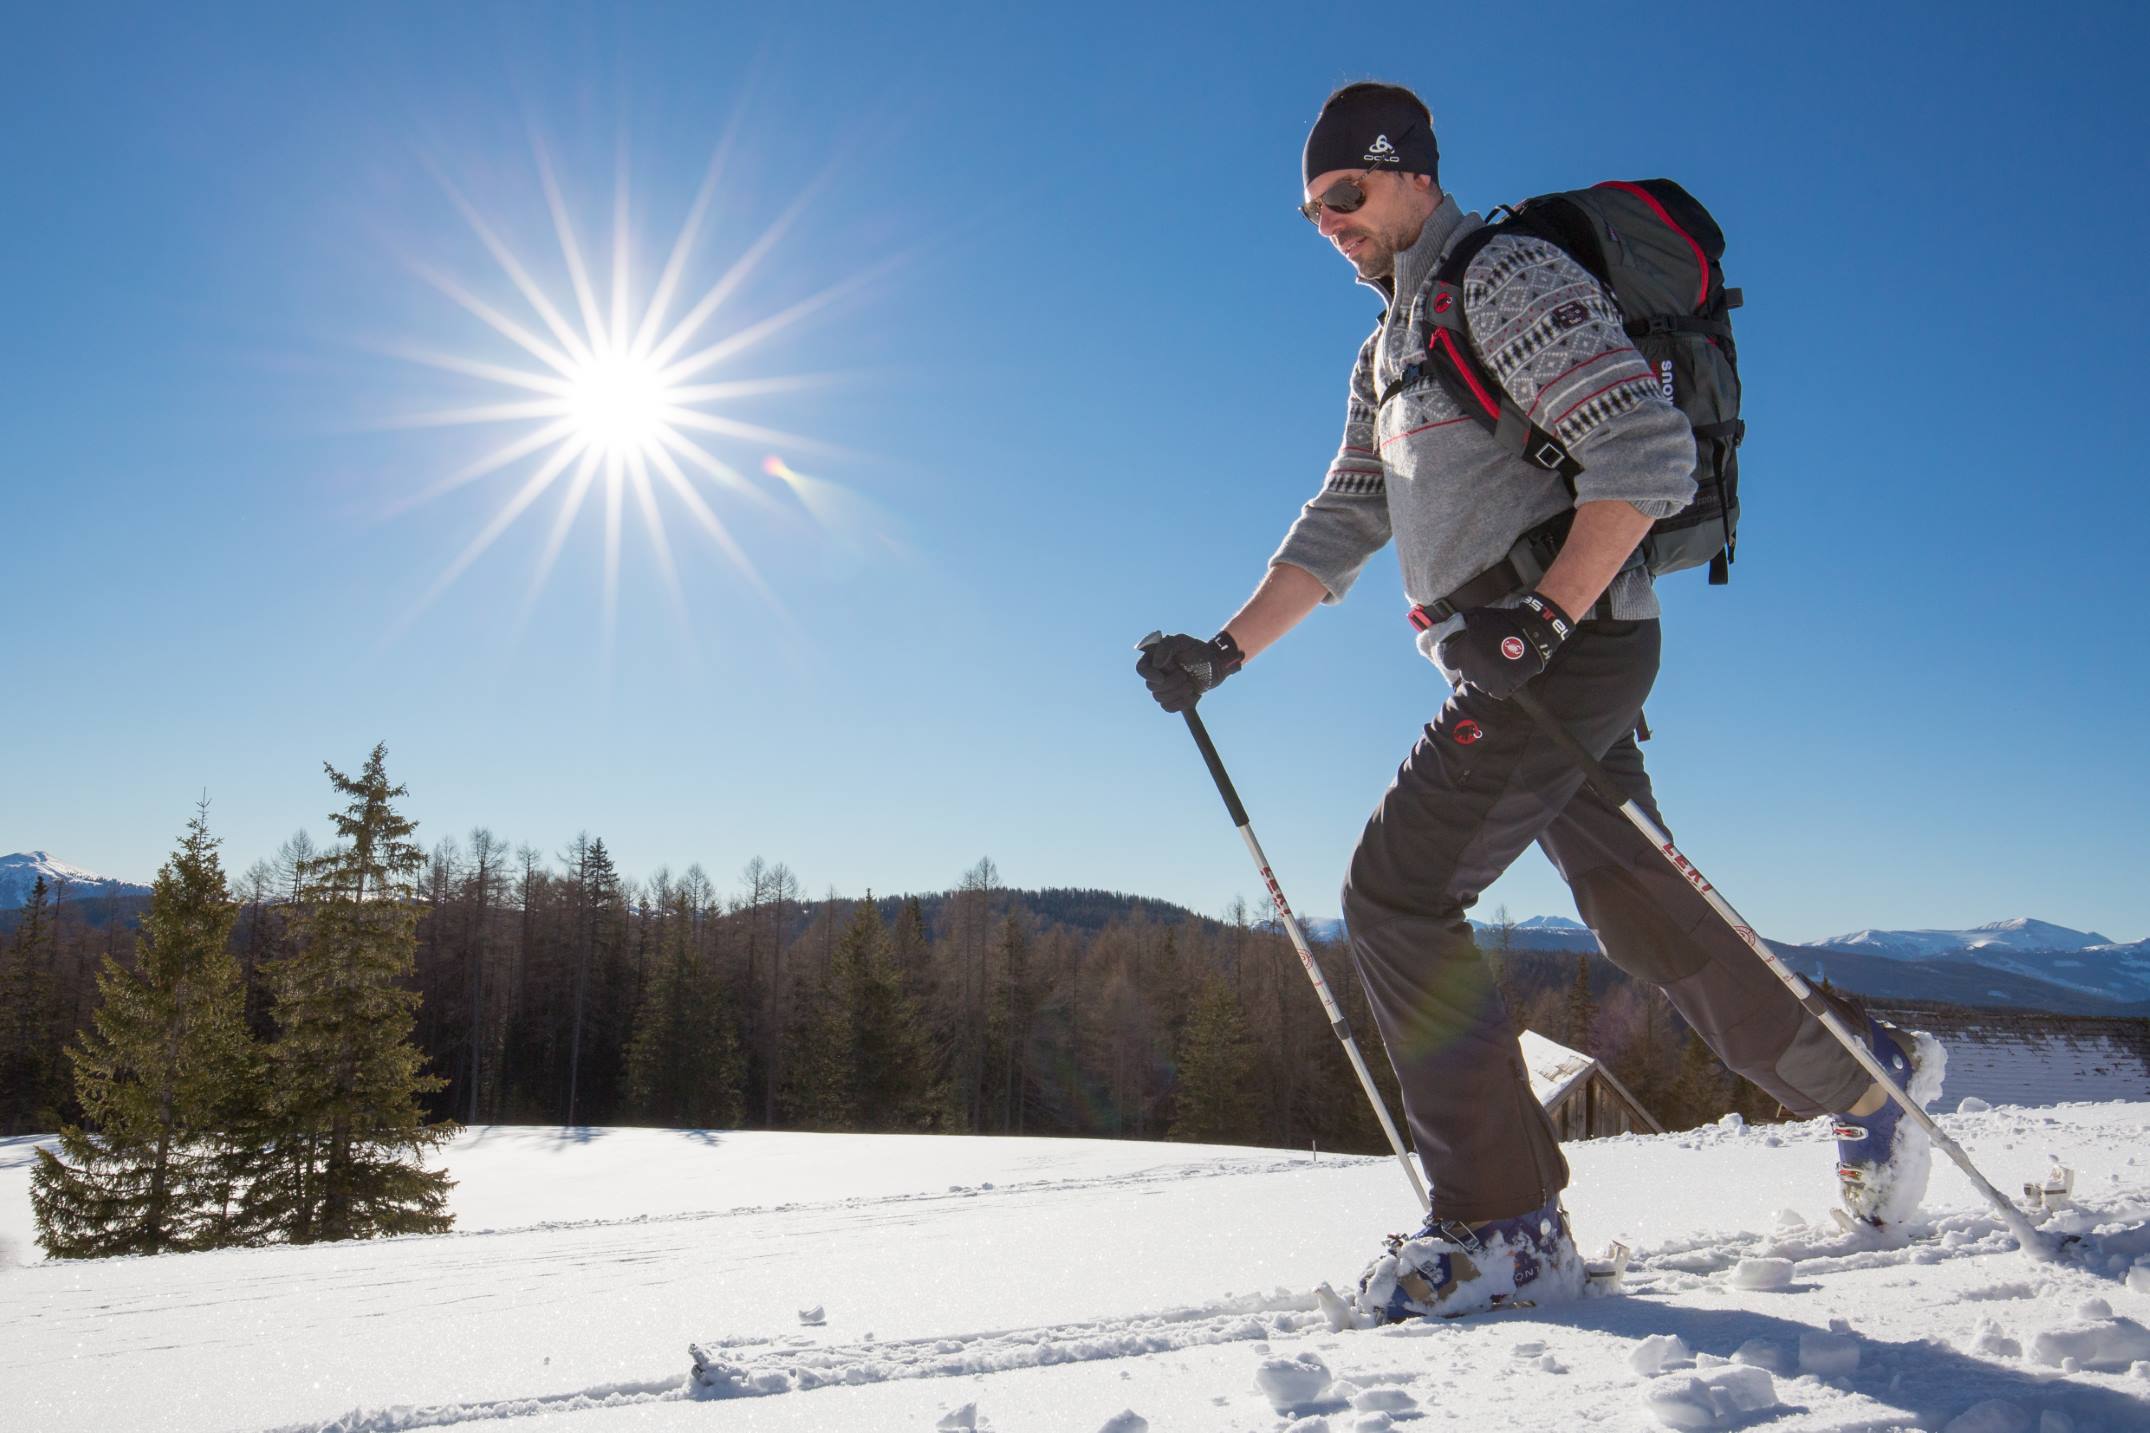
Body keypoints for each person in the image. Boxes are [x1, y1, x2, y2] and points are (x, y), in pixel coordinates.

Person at [1136, 81, 1940, 1321]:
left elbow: (1647, 451)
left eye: (1343, 195)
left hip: (1564, 649)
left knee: (1396, 890)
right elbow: (1347, 517)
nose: (1329, 224)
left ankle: (1503, 1224)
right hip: (1524, 653)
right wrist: (1222, 651)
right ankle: (1861, 1074)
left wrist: (1547, 614)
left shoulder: (1503, 276)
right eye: (1309, 211)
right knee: (1638, 907)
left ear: (1407, 173)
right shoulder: (1386, 350)